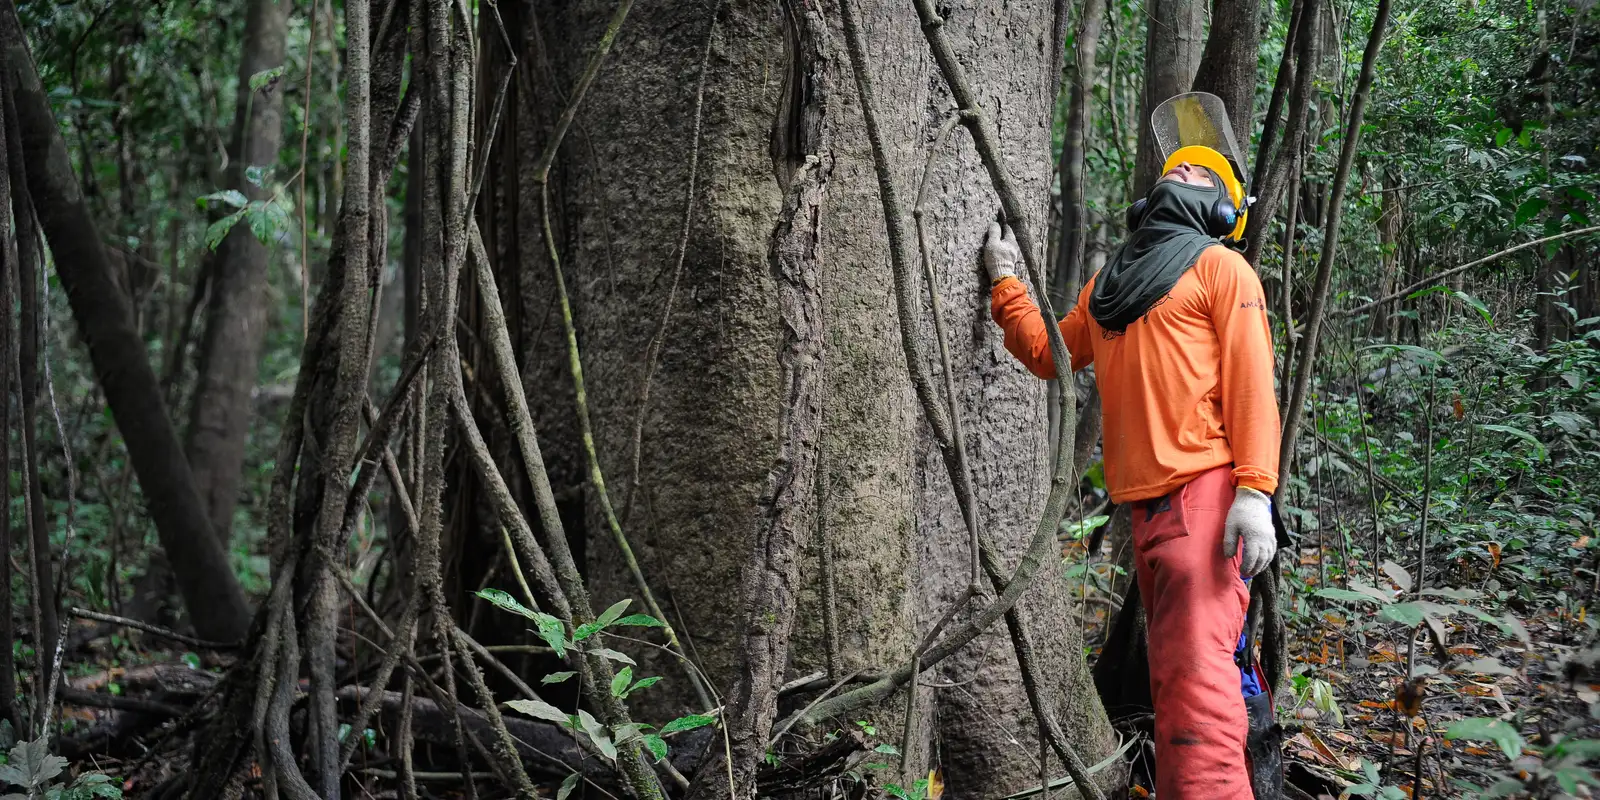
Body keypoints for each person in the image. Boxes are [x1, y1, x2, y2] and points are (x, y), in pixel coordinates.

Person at [982, 150, 1280, 798]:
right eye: (1176, 167)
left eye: (1205, 174)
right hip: (1148, 517)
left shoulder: (1224, 270)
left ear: (1225, 212)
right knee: (1178, 692)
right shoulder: (1110, 287)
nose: (1185, 172)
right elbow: (1049, 353)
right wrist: (1004, 283)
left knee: (1199, 704)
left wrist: (1255, 492)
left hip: (1205, 504)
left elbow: (1255, 385)